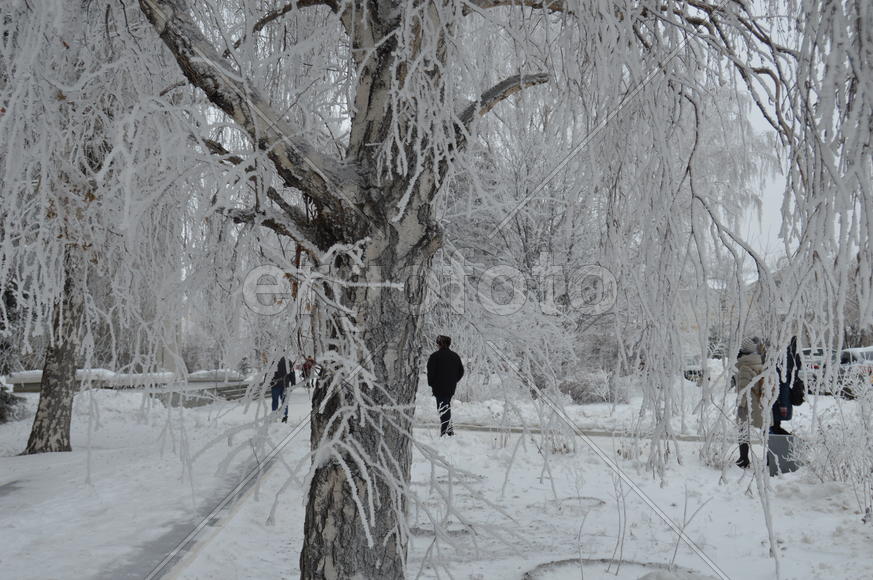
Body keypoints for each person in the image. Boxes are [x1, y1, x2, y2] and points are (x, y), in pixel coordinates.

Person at [735, 336, 764, 468]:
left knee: (742, 430)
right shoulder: (759, 362)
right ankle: (769, 458)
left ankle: (743, 459)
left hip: (748, 405)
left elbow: (743, 389)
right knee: (766, 430)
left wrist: (741, 406)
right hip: (760, 403)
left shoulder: (744, 366)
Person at [426, 335, 464, 437]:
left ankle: (446, 433)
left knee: (443, 408)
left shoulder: (434, 356)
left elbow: (430, 372)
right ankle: (449, 431)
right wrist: (454, 380)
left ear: (439, 343)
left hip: (439, 387)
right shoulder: (455, 356)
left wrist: (431, 383)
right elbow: (461, 371)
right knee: (445, 406)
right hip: (450, 387)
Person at [772, 336, 799, 435]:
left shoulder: (783, 360)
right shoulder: (794, 357)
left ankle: (791, 443)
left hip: (780, 401)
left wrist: (783, 404)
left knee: (773, 427)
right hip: (782, 400)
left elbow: (783, 384)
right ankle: (789, 444)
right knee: (774, 427)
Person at [270, 356, 293, 422]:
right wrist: (293, 382)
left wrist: (268, 382)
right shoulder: (288, 361)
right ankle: (284, 417)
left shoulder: (273, 361)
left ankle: (274, 416)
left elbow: (268, 373)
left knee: (275, 401)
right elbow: (292, 373)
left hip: (275, 385)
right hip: (285, 385)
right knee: (284, 401)